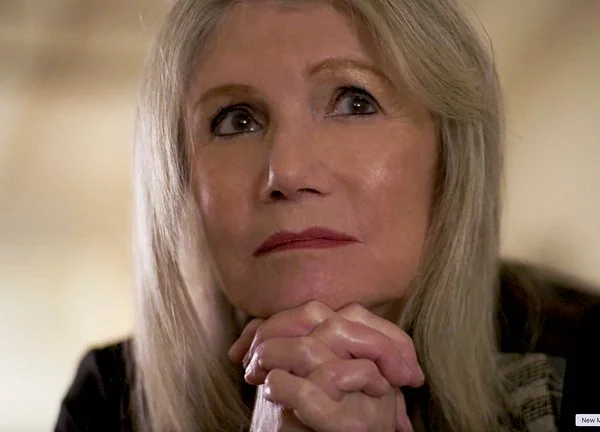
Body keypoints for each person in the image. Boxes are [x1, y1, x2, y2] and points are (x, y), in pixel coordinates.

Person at [54, 0, 600, 431]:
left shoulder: (580, 352)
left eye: (355, 102)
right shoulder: (110, 401)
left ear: (450, 155)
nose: (287, 172)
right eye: (236, 120)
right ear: (181, 179)